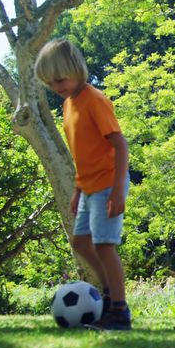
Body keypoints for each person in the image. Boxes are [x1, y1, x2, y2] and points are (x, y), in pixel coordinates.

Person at [35, 38, 133, 331]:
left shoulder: (94, 100)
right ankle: (108, 296)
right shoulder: (68, 105)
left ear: (76, 69)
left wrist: (117, 190)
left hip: (107, 182)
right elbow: (82, 152)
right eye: (50, 83)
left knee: (104, 245)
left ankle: (119, 310)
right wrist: (78, 189)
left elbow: (120, 145)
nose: (56, 87)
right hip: (88, 186)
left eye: (60, 79)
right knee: (81, 243)